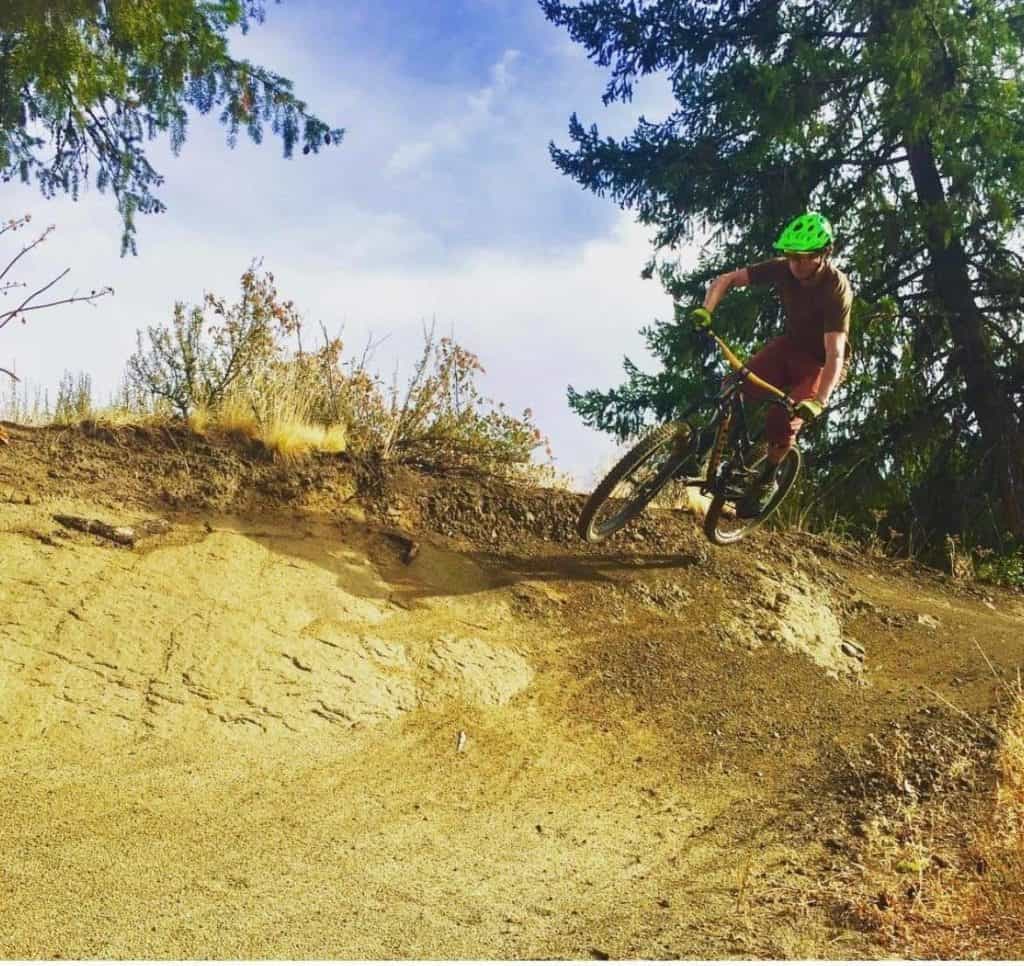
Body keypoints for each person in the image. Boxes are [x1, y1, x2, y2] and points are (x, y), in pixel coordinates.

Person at [689, 211, 852, 517]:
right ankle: (704, 447)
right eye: (791, 256)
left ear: (824, 253)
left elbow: (835, 353)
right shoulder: (784, 269)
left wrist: (819, 401)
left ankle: (768, 478)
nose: (796, 264)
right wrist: (706, 310)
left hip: (820, 364)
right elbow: (728, 279)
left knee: (781, 417)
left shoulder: (836, 289)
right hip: (790, 346)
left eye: (803, 257)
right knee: (734, 383)